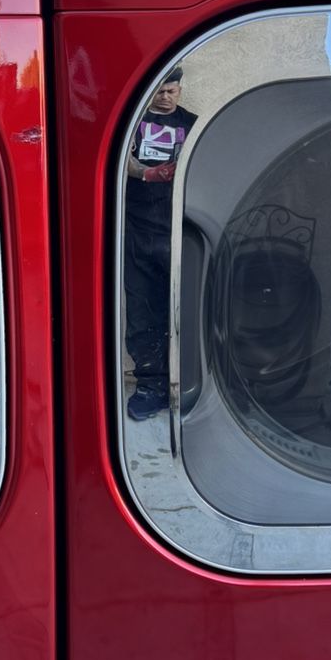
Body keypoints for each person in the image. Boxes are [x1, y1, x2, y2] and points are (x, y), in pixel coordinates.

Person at [122, 68, 197, 420]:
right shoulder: (130, 122)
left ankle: (189, 384)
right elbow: (121, 164)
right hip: (137, 233)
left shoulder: (195, 125)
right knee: (142, 313)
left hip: (180, 233)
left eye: (172, 90)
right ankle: (150, 388)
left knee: (187, 309)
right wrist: (147, 173)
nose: (165, 96)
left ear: (180, 91)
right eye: (160, 90)